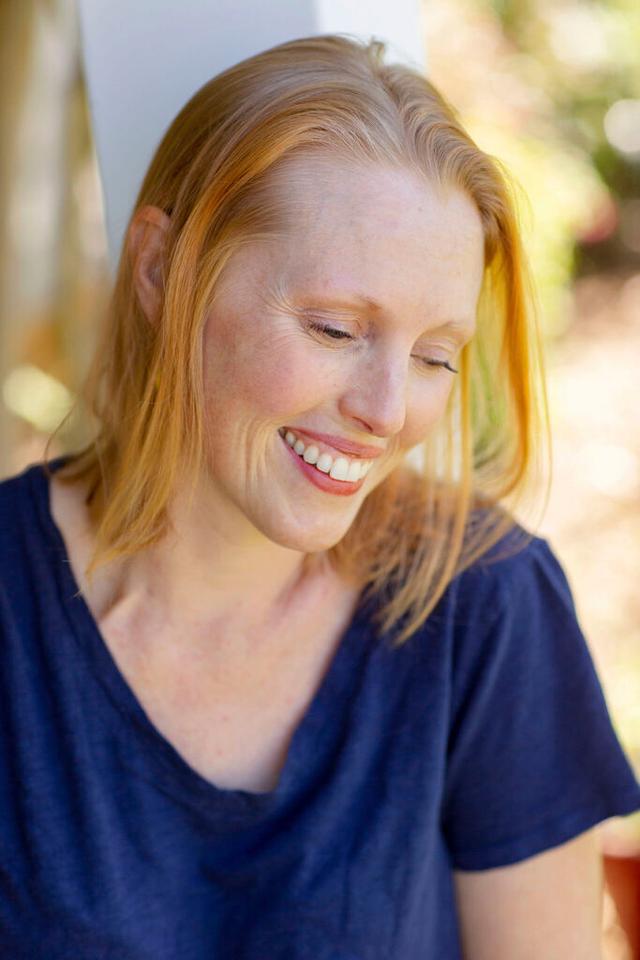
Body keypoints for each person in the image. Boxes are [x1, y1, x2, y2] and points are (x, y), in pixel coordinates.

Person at [1, 33, 638, 960]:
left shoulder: (484, 605)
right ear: (157, 270)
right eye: (336, 329)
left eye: (433, 358)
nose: (386, 412)